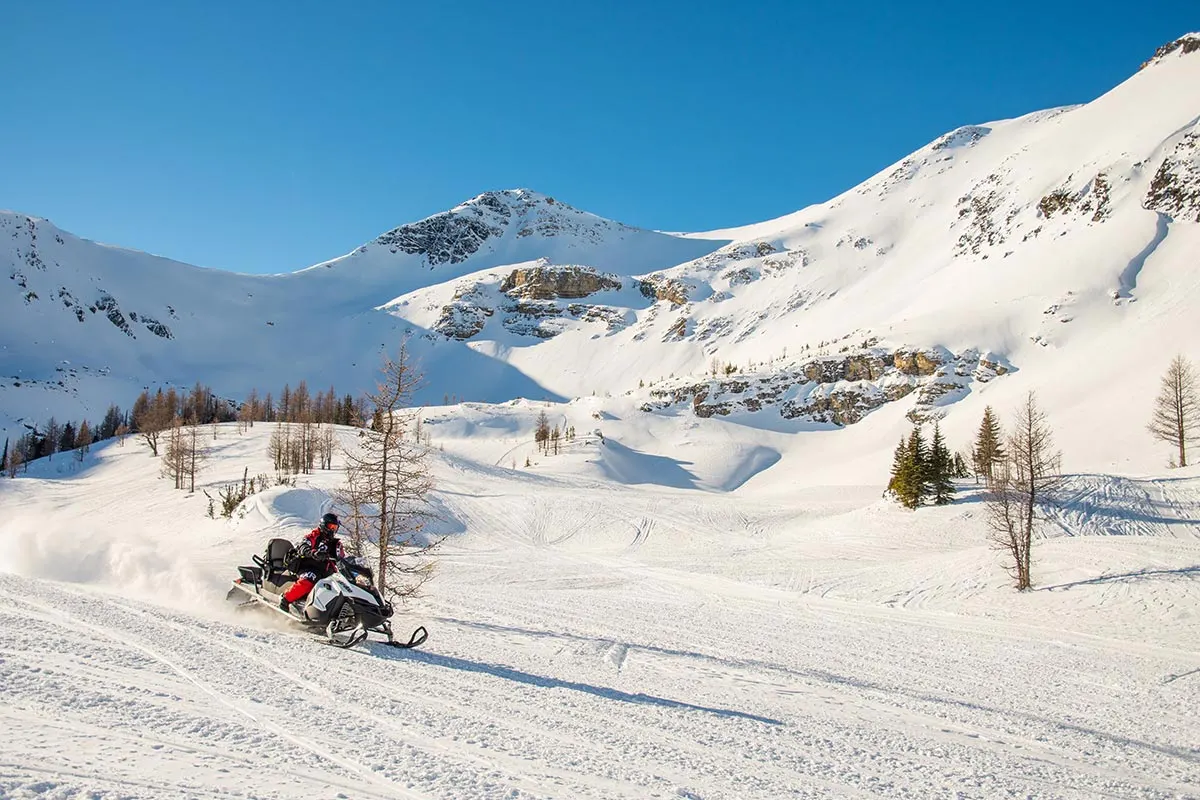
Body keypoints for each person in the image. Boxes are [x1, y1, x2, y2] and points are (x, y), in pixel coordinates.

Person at [280, 512, 345, 611]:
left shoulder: (336, 543)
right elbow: (304, 546)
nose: (332, 530)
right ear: (324, 525)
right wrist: (313, 553)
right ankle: (286, 599)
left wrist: (349, 563)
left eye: (335, 528)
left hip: (327, 571)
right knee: (309, 579)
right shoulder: (314, 536)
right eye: (331, 526)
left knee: (341, 587)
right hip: (309, 566)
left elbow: (342, 557)